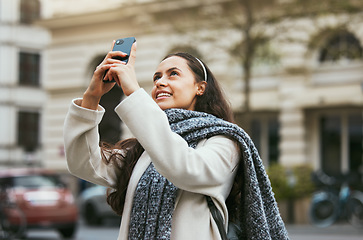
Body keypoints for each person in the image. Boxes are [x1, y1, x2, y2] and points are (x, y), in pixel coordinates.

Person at [64, 40, 289, 240]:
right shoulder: (144, 149)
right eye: (156, 77)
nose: (161, 82)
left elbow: (184, 167)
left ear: (200, 88)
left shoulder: (224, 141)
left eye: (173, 74)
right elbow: (84, 164)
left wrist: (133, 91)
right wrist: (92, 96)